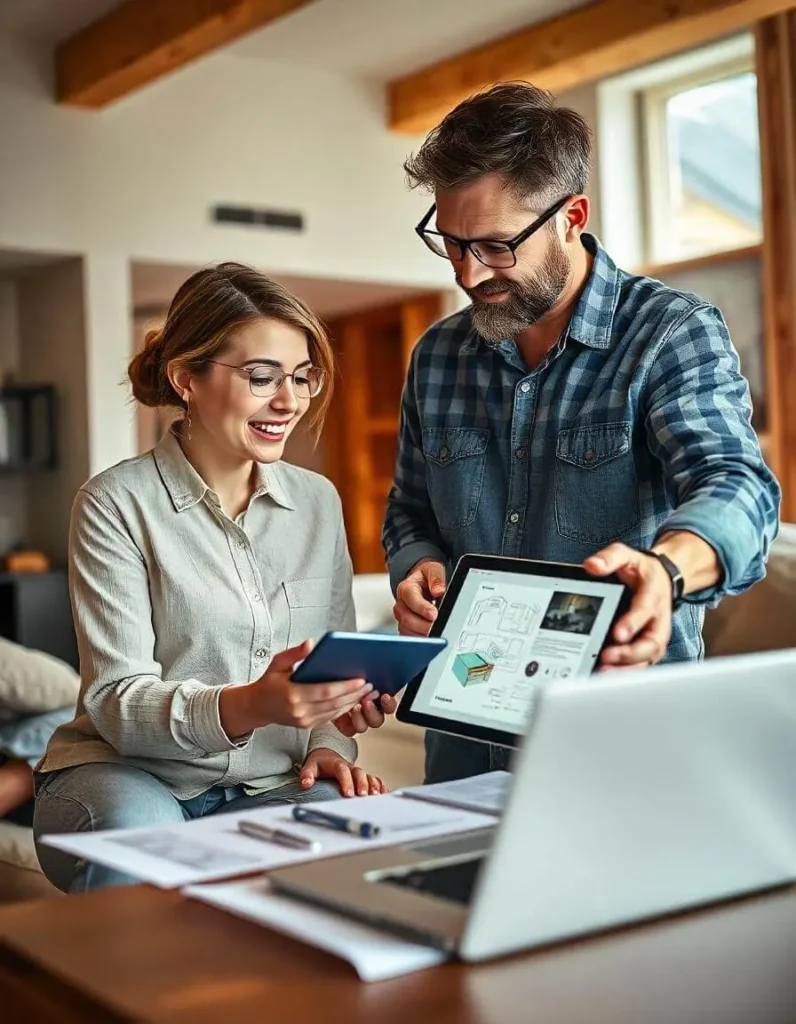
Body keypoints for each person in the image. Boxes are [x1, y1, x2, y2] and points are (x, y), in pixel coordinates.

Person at [383, 83, 780, 784]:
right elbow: (410, 507)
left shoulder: (669, 333)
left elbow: (738, 485)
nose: (468, 272)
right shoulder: (437, 356)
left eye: (498, 245)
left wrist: (665, 568)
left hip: (628, 738)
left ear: (572, 216)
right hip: (465, 736)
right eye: (449, 241)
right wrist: (415, 562)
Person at [34, 263, 393, 892]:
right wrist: (252, 703)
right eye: (261, 378)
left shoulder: (317, 502)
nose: (289, 401)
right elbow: (116, 703)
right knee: (148, 853)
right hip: (125, 776)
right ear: (185, 379)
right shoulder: (113, 504)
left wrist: (331, 741)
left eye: (302, 377)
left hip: (269, 786)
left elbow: (333, 667)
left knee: (360, 843)